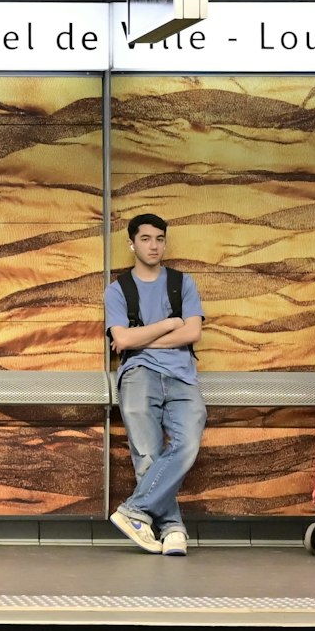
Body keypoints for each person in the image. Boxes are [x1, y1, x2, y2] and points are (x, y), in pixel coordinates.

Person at [104, 214, 206, 557]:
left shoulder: (182, 283)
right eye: (146, 239)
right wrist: (169, 323)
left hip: (182, 375)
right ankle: (173, 529)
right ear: (132, 243)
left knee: (188, 444)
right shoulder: (118, 291)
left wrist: (139, 339)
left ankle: (134, 511)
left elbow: (192, 333)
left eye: (159, 239)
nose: (153, 245)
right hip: (138, 375)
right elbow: (120, 338)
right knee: (148, 454)